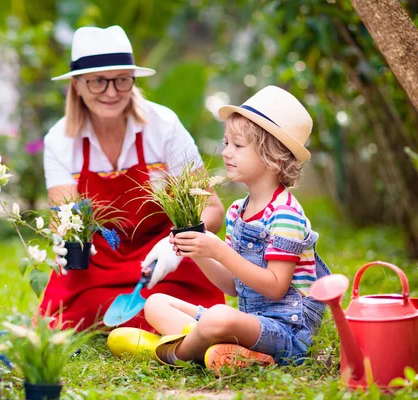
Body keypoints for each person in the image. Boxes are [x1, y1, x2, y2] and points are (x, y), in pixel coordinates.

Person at [39, 25, 226, 331]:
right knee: (64, 320)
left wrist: (176, 245)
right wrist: (64, 240)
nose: (112, 93)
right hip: (100, 263)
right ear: (76, 85)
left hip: (162, 257)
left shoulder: (164, 126)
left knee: (172, 302)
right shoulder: (60, 139)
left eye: (122, 80)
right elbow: (63, 216)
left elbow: (212, 208)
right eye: (99, 82)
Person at [137, 86, 331, 372]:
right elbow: (232, 285)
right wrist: (199, 250)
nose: (226, 152)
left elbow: (276, 287)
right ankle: (228, 352)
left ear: (273, 157)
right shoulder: (237, 211)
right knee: (155, 302)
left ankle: (176, 354)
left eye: (238, 146)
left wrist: (219, 251)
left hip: (285, 332)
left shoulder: (287, 214)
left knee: (219, 317)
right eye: (226, 143)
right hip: (250, 324)